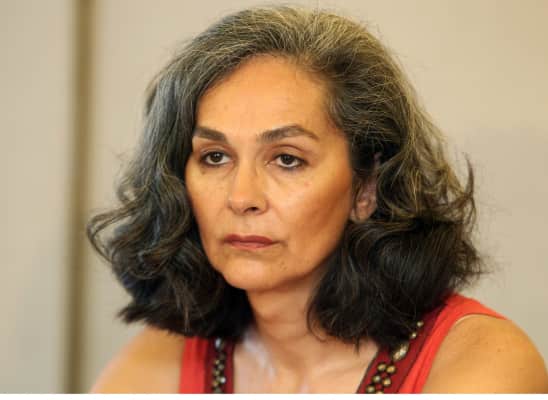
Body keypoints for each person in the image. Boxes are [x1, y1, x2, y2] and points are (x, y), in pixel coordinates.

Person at [87, 5, 547, 393]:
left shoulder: (484, 365)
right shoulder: (154, 367)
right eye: (215, 157)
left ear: (366, 188)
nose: (241, 198)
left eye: (287, 159)